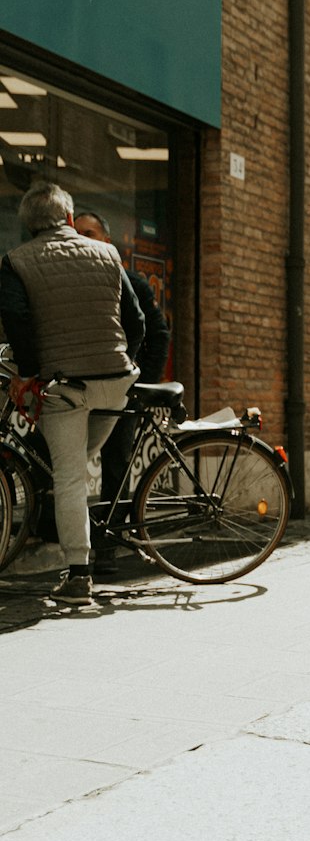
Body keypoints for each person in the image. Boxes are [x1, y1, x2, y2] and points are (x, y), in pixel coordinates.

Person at [0, 182, 144, 604]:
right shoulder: (109, 254)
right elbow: (135, 322)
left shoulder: (14, 262)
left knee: (67, 477)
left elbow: (16, 320)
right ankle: (101, 536)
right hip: (115, 382)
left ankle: (79, 575)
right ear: (67, 218)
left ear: (28, 226)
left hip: (63, 387)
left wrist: (27, 374)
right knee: (78, 463)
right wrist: (121, 361)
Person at [74, 209, 170, 574]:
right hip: (80, 387)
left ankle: (107, 550)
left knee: (116, 468)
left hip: (123, 391)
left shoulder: (130, 282)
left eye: (90, 234)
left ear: (107, 242)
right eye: (77, 233)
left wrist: (144, 386)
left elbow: (158, 334)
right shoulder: (73, 284)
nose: (83, 240)